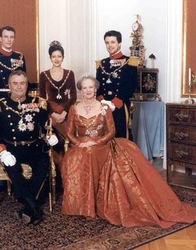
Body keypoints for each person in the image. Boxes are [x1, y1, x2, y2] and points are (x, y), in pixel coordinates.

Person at [61, 74, 196, 228]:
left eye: (90, 87)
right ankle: (80, 205)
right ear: (81, 90)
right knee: (74, 158)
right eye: (84, 88)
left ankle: (93, 205)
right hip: (82, 146)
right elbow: (69, 132)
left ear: (95, 88)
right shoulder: (74, 108)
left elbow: (111, 131)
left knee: (90, 155)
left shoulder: (105, 107)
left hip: (102, 145)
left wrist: (95, 141)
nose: (88, 90)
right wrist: (80, 143)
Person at [0, 70, 57, 225]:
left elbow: (44, 127)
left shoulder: (38, 103)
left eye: (22, 83)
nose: (19, 87)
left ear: (27, 85)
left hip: (34, 147)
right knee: (12, 168)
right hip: (11, 149)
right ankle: (34, 208)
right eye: (15, 83)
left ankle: (27, 206)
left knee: (43, 164)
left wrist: (50, 137)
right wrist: (2, 153)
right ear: (9, 86)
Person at [39, 41, 76, 170]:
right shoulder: (44, 75)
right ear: (50, 57)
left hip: (67, 112)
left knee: (71, 141)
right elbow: (42, 99)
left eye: (59, 56)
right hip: (52, 114)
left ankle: (71, 168)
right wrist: (53, 114)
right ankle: (58, 169)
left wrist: (64, 113)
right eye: (54, 56)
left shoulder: (69, 74)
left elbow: (74, 96)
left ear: (63, 57)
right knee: (55, 142)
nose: (56, 59)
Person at [96, 30, 137, 139]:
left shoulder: (129, 62)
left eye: (113, 42)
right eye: (107, 43)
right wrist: (102, 101)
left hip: (119, 105)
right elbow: (98, 85)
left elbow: (131, 85)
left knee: (120, 136)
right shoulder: (102, 63)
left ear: (119, 43)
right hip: (103, 106)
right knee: (103, 136)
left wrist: (116, 102)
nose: (110, 45)